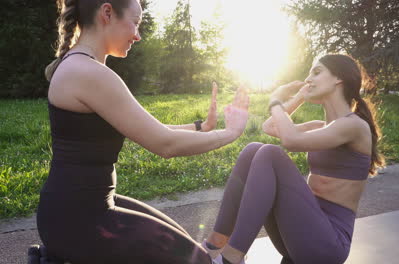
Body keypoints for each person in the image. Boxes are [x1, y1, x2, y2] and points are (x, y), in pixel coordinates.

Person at [36, 0, 249, 263]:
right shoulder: (87, 72)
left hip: (79, 211)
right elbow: (165, 144)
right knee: (198, 261)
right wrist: (231, 133)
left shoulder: (82, 67)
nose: (137, 35)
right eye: (135, 23)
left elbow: (146, 128)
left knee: (194, 252)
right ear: (106, 13)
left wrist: (201, 128)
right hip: (78, 221)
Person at [202, 54, 386, 264]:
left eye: (316, 72)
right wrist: (299, 96)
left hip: (328, 246)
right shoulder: (321, 126)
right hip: (301, 234)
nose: (308, 79)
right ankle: (214, 245)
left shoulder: (354, 125)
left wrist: (276, 101)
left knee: (270, 154)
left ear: (338, 79)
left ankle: (231, 258)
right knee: (253, 150)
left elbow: (290, 141)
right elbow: (269, 127)